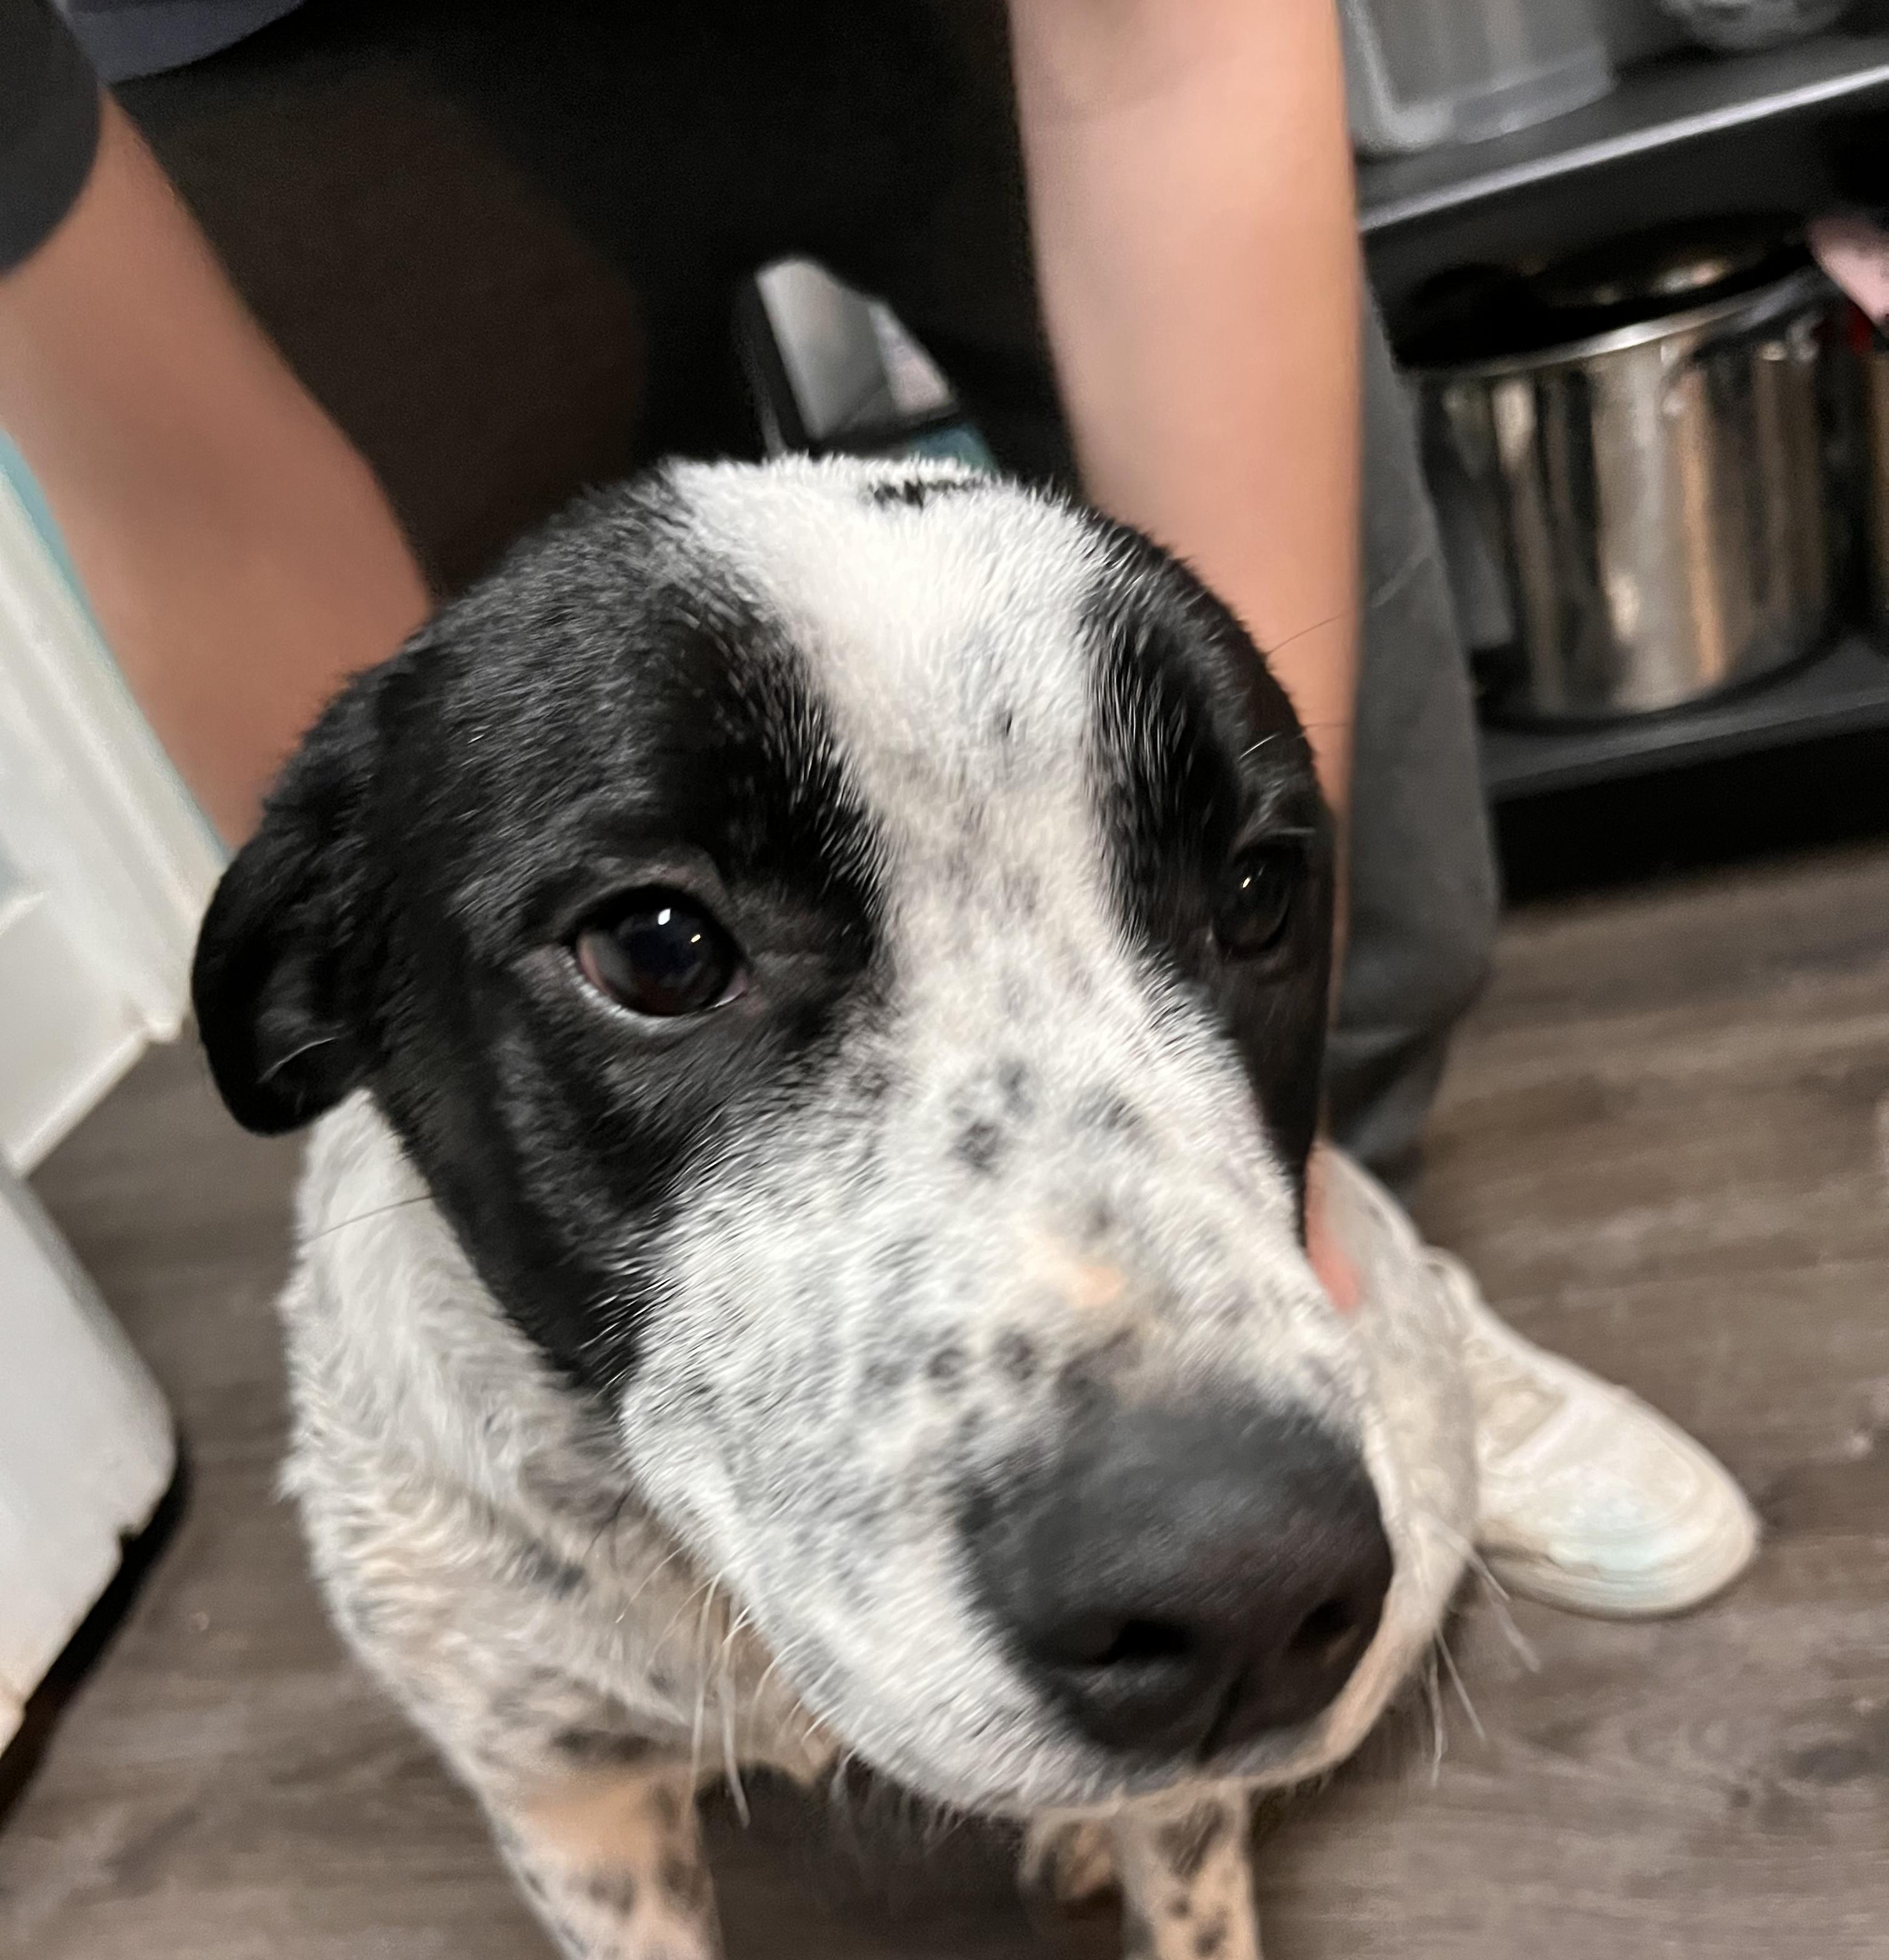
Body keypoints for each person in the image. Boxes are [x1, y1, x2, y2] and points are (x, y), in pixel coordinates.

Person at [0, 0, 1757, 1616]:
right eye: (665, 951)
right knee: (584, 813)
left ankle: (1358, 1294)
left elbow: (1176, 58)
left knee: (1388, 908)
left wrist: (1247, 1147)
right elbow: (207, 512)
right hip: (286, 40)